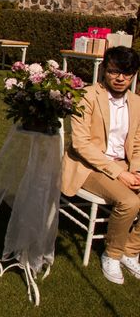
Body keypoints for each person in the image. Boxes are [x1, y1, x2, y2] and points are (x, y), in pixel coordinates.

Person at [62, 46, 140, 285]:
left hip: (124, 164)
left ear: (133, 75)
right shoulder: (87, 95)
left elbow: (137, 142)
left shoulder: (137, 102)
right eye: (115, 71)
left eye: (126, 74)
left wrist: (135, 169)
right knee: (130, 201)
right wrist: (120, 173)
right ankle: (112, 254)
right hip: (89, 166)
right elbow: (81, 144)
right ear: (105, 69)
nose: (120, 78)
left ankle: (130, 250)